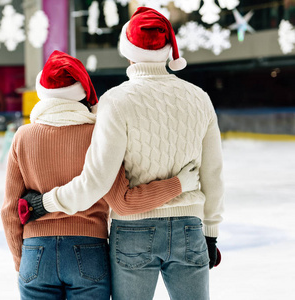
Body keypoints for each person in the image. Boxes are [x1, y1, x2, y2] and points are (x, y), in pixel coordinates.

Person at [22, 8, 224, 300]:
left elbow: (96, 181)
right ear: (169, 51)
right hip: (188, 229)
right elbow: (213, 173)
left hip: (132, 233)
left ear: (128, 52)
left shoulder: (115, 101)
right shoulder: (199, 98)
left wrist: (44, 203)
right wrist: (211, 230)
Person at [1, 51, 200, 300]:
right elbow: (124, 200)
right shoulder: (99, 135)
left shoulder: (22, 137)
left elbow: (10, 210)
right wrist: (178, 184)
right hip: (88, 249)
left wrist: (22, 262)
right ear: (82, 91)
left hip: (35, 250)